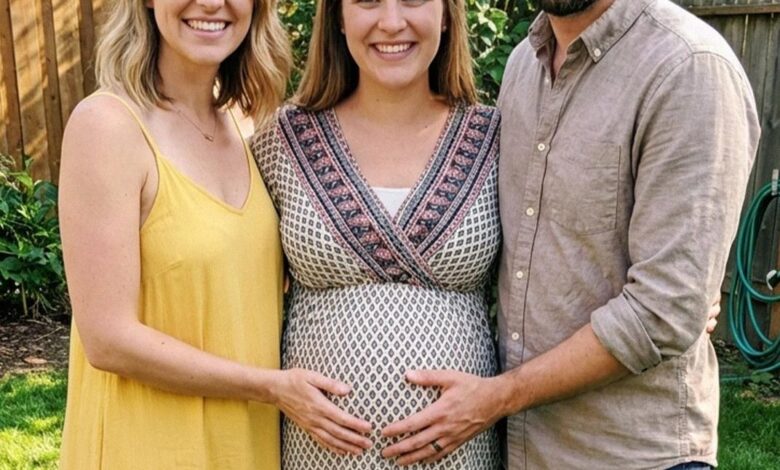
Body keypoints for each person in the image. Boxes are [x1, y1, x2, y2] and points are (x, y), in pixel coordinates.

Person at [380, 0, 760, 468]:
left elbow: (666, 307)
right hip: (523, 451)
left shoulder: (688, 67)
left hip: (630, 455)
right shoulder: (524, 64)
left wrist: (499, 397)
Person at [57, 0, 371, 468]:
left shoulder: (248, 122)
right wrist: (270, 386)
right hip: (149, 448)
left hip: (244, 445)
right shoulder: (107, 126)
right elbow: (108, 339)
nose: (211, 4)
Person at [250, 0, 502, 467]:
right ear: (338, 18)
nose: (391, 22)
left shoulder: (496, 139)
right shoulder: (281, 140)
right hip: (318, 454)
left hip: (461, 452)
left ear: (447, 15)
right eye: (367, 0)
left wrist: (500, 396)